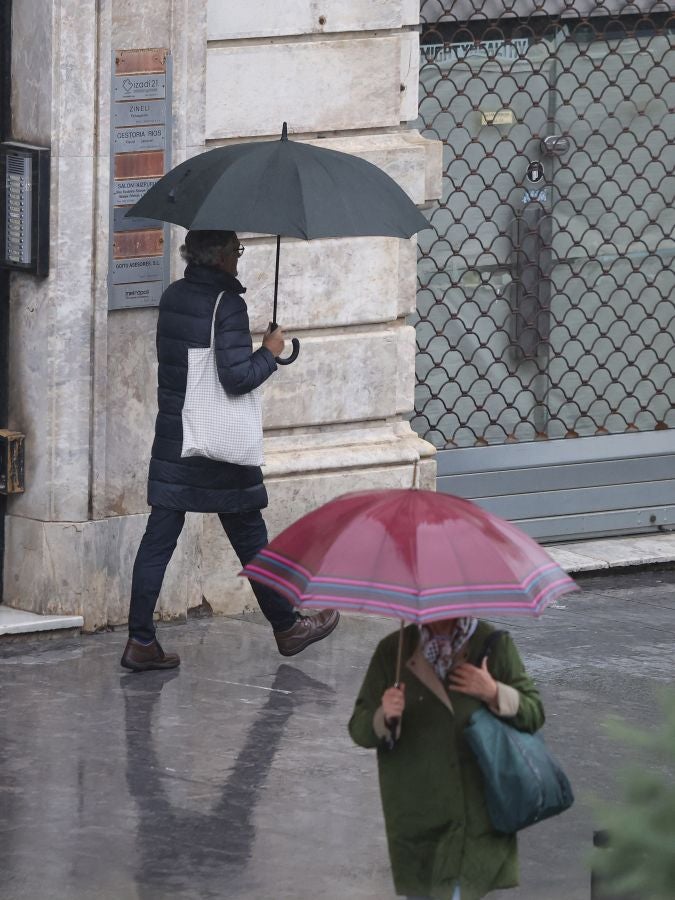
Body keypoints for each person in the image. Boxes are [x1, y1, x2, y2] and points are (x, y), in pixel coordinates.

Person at [121, 230, 339, 672]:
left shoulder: (173, 297)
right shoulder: (229, 305)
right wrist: (271, 353)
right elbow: (235, 378)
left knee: (157, 541)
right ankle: (288, 627)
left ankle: (141, 639)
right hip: (217, 446)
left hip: (177, 438)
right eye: (237, 251)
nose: (239, 258)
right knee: (250, 536)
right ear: (220, 257)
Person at [348, 617, 544, 900]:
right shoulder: (393, 650)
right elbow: (359, 728)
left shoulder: (494, 645)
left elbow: (534, 712)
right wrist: (384, 714)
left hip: (476, 818)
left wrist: (493, 692)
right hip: (418, 819)